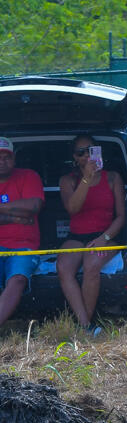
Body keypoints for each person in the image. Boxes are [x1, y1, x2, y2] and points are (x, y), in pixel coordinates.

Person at [56, 135, 126, 335]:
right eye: (81, 152)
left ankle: (83, 326)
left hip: (106, 236)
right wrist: (86, 178)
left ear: (98, 151)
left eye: (91, 150)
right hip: (77, 236)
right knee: (63, 267)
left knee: (92, 264)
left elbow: (121, 217)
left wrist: (103, 238)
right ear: (75, 158)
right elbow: (72, 209)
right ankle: (86, 325)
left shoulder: (113, 178)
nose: (87, 155)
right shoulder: (68, 180)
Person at [0, 137, 44, 328]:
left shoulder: (28, 176)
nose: (2, 161)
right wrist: (15, 216)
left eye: (6, 157)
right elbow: (25, 209)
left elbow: (33, 206)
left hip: (23, 245)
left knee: (17, 279)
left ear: (14, 159)